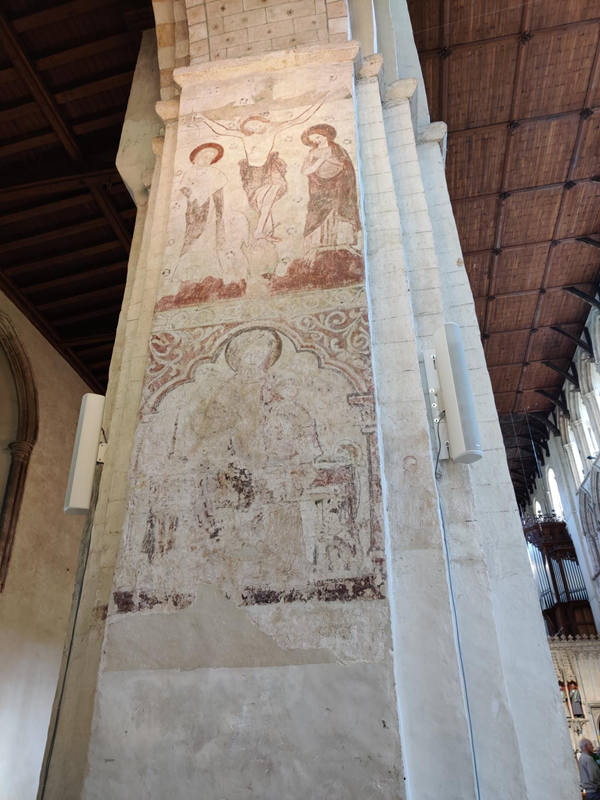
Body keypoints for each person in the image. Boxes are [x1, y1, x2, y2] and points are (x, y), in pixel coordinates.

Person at [195, 99, 324, 244]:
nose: (255, 126)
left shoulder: (273, 129)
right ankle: (261, 231)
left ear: (263, 121)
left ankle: (260, 231)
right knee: (262, 202)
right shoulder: (243, 135)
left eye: (257, 122)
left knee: (272, 193)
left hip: (270, 167)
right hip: (252, 173)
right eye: (250, 124)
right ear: (246, 126)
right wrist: (203, 119)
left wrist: (318, 103)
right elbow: (222, 130)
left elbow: (298, 120)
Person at [300, 124, 361, 260]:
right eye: (313, 140)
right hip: (319, 189)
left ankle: (342, 243)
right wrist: (319, 163)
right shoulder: (312, 153)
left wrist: (334, 163)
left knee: (340, 209)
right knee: (317, 212)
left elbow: (347, 167)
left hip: (340, 185)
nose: (316, 140)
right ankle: (316, 246)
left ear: (324, 135)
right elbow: (304, 171)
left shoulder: (338, 149)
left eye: (317, 137)